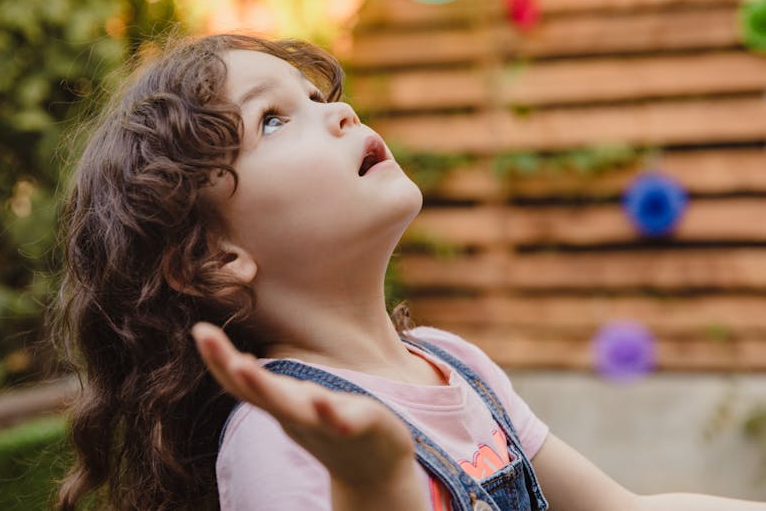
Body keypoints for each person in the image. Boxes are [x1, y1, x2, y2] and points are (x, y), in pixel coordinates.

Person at [51, 33, 765, 510]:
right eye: (272, 119)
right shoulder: (281, 435)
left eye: (319, 99)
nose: (340, 114)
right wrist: (375, 480)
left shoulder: (457, 365)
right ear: (213, 257)